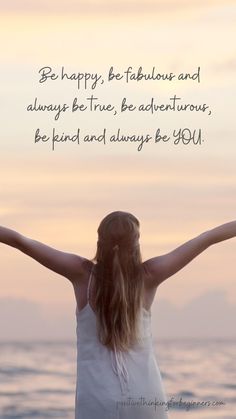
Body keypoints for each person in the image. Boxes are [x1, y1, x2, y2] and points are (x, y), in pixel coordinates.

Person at [0, 211, 235, 419]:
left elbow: (22, 242)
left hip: (97, 397)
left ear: (99, 240)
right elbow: (207, 238)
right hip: (146, 396)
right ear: (136, 243)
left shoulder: (81, 274)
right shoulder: (150, 274)